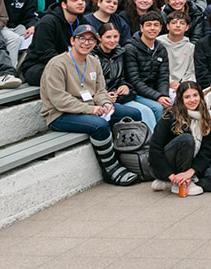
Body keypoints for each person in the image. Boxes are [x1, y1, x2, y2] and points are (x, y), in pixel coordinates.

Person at [38, 23, 139, 184]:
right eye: (82, 39)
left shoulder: (93, 61)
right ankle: (110, 168)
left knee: (132, 114)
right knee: (99, 125)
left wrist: (105, 103)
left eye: (91, 39)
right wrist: (90, 109)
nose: (86, 43)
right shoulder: (57, 64)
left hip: (89, 107)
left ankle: (129, 157)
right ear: (72, 40)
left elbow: (100, 90)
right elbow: (58, 99)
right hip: (60, 114)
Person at [147, 81, 211, 196]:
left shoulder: (207, 118)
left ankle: (174, 182)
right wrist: (171, 175)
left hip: (192, 163)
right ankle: (175, 181)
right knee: (186, 139)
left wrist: (190, 172)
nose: (192, 100)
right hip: (167, 164)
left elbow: (206, 151)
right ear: (181, 99)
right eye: (187, 97)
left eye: (195, 95)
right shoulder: (170, 115)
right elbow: (155, 149)